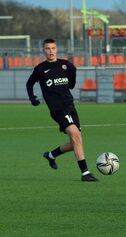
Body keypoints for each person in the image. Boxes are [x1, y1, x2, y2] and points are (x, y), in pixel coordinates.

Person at [26, 38, 97, 182]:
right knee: (76, 136)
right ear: (43, 51)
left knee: (75, 142)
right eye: (47, 49)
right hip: (57, 109)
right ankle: (85, 173)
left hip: (70, 106)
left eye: (53, 48)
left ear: (56, 49)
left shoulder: (65, 65)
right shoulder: (40, 69)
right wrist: (32, 98)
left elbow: (71, 84)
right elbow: (29, 83)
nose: (50, 51)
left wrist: (73, 73)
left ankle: (51, 155)